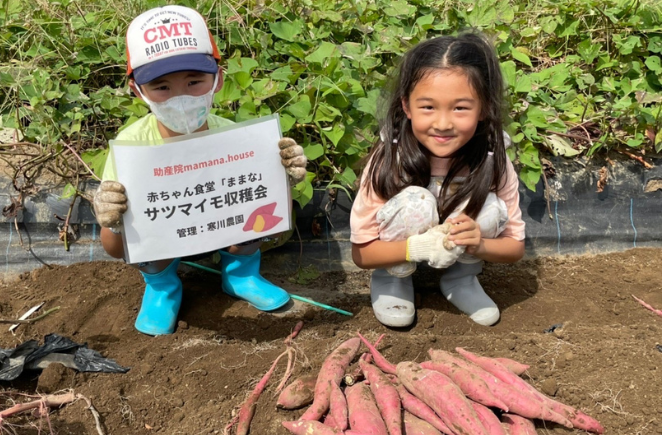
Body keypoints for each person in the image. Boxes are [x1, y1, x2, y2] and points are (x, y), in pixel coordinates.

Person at [92, 5, 307, 336]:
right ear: (138, 90)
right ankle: (162, 287)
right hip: (165, 243)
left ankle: (240, 274)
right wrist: (113, 222)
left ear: (217, 79)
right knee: (142, 231)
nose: (180, 98)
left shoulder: (236, 140)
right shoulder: (132, 149)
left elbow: (276, 222)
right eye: (162, 87)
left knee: (251, 200)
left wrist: (282, 180)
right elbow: (115, 248)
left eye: (194, 81)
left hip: (222, 227)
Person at [350, 31, 525, 328]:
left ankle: (462, 278)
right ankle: (394, 277)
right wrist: (414, 249)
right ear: (406, 106)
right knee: (415, 202)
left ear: (483, 108)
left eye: (460, 108)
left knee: (490, 206)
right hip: (399, 252)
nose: (443, 124)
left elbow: (515, 248)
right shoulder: (390, 159)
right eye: (428, 107)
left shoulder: (492, 159)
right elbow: (361, 253)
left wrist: (478, 244)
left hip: (465, 252)